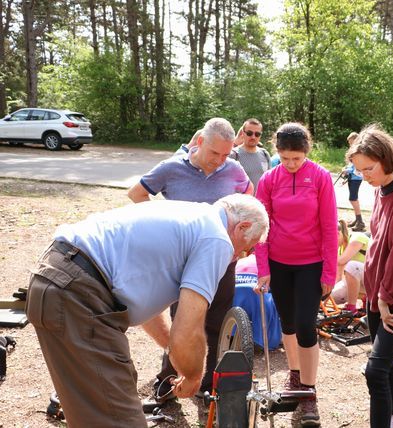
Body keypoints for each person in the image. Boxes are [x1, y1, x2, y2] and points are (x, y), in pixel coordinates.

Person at [25, 194, 269, 427]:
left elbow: (145, 305)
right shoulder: (217, 239)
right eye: (247, 249)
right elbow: (188, 328)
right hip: (78, 292)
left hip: (56, 281)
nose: (239, 256)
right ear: (242, 226)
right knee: (118, 417)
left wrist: (177, 357)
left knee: (103, 400)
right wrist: (194, 376)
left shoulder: (193, 217)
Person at [127, 117, 253, 400]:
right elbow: (136, 194)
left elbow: (249, 197)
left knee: (217, 321)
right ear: (199, 142)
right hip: (184, 262)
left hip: (222, 261)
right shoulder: (172, 168)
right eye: (214, 153)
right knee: (182, 321)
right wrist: (162, 225)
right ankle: (169, 378)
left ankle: (208, 382)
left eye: (226, 153)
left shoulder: (233, 169)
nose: (220, 160)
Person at [253, 122, 338, 427]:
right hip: (278, 262)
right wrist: (263, 269)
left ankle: (309, 392)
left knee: (305, 325)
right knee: (288, 323)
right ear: (277, 152)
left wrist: (330, 270)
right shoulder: (268, 179)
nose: (290, 164)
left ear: (306, 152)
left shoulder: (320, 177)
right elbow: (261, 227)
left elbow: (330, 227)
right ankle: (295, 376)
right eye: (285, 158)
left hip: (311, 263)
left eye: (297, 159)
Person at [346, 125, 393, 428]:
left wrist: (387, 297)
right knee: (386, 363)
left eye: (369, 168)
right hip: (378, 297)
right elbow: (378, 244)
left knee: (375, 370)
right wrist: (372, 291)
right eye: (359, 170)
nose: (364, 175)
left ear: (386, 158)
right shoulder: (381, 191)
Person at [233, 254, 282, 350]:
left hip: (235, 296)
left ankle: (233, 335)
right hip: (258, 296)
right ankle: (266, 338)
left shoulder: (241, 261)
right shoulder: (272, 263)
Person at [331, 219, 369, 313]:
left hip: (373, 279)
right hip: (360, 281)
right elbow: (338, 277)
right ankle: (363, 304)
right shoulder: (341, 250)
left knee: (352, 266)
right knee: (334, 296)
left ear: (338, 234)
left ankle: (352, 306)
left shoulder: (357, 237)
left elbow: (341, 261)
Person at [229, 118, 271, 193]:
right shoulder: (233, 155)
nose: (253, 137)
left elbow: (270, 182)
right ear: (243, 133)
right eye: (249, 133)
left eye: (257, 134)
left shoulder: (265, 154)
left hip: (260, 203)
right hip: (240, 203)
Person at [343, 132, 366, 231]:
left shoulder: (360, 151)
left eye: (352, 143)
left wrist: (348, 170)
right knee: (353, 198)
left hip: (356, 178)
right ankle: (357, 219)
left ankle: (360, 221)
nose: (351, 145)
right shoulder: (354, 151)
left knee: (353, 199)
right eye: (350, 143)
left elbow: (358, 166)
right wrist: (346, 168)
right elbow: (352, 164)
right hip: (352, 177)